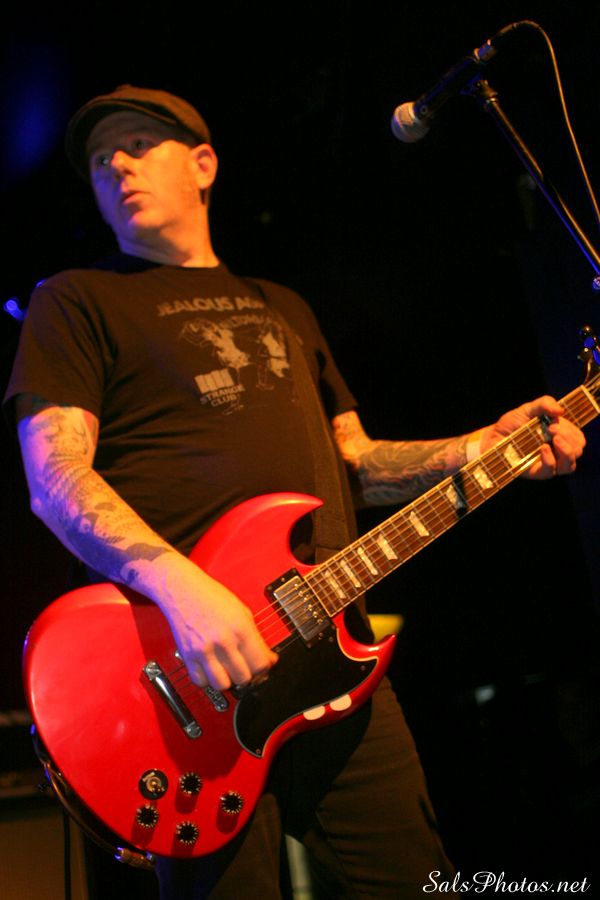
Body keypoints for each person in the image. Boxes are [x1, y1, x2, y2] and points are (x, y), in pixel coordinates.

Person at [3, 85, 586, 899]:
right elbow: (54, 478)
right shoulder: (76, 299)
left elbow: (357, 463)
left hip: (332, 663)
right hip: (189, 685)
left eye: (138, 145)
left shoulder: (283, 308)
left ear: (204, 164)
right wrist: (184, 591)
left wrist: (479, 447)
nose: (118, 167)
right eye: (102, 161)